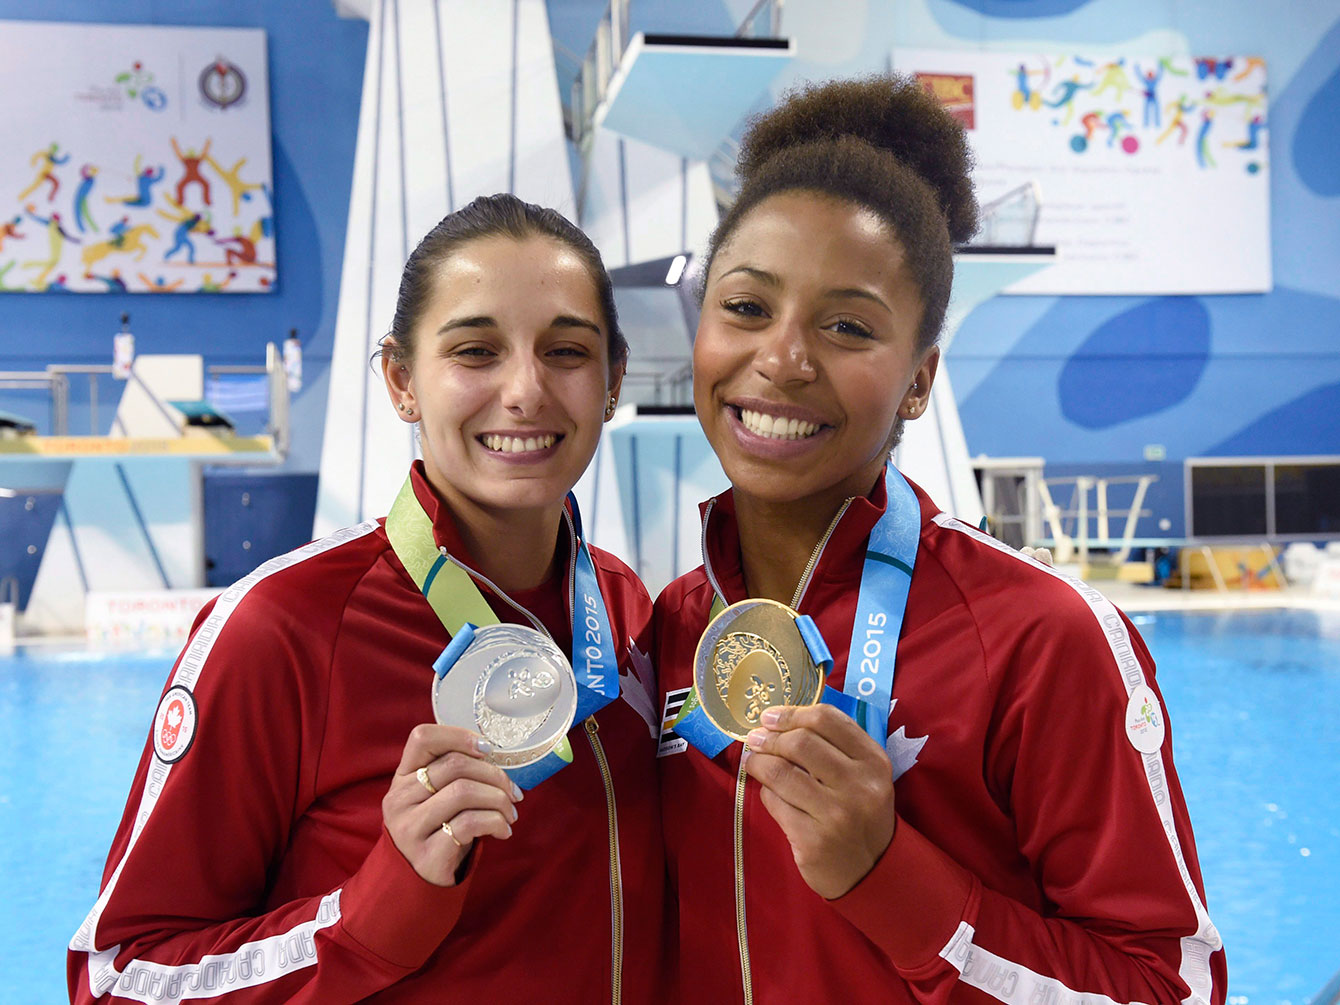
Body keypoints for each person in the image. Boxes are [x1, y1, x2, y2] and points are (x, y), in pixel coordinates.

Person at [653, 76, 1226, 1004]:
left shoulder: (1042, 638)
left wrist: (892, 879)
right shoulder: (665, 630)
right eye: (748, 308)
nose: (784, 357)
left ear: (918, 382)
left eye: (847, 326)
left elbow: (1169, 989)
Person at [69, 194, 666, 1004]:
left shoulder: (626, 610)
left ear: (613, 379)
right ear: (401, 380)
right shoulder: (282, 627)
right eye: (476, 350)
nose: (525, 390)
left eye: (566, 350)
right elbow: (115, 978)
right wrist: (376, 906)